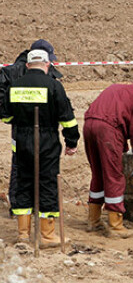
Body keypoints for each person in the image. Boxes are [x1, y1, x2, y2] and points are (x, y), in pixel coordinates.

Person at [0, 49, 79, 246]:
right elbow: (67, 119)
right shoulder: (54, 86)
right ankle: (46, 235)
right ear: (47, 64)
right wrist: (72, 142)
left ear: (27, 65)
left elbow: (5, 116)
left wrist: (20, 119)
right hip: (47, 140)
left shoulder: (15, 86)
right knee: (47, 184)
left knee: (23, 183)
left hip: (22, 140)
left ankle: (23, 234)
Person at [84, 80, 133, 238]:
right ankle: (116, 226)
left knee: (98, 175)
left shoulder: (120, 88)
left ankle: (94, 220)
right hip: (108, 129)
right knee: (114, 176)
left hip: (89, 125)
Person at [0, 39, 63, 218]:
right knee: (40, 173)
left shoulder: (10, 71)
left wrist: (13, 117)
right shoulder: (19, 72)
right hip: (40, 132)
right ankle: (34, 212)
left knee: (21, 171)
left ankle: (22, 214)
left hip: (20, 131)